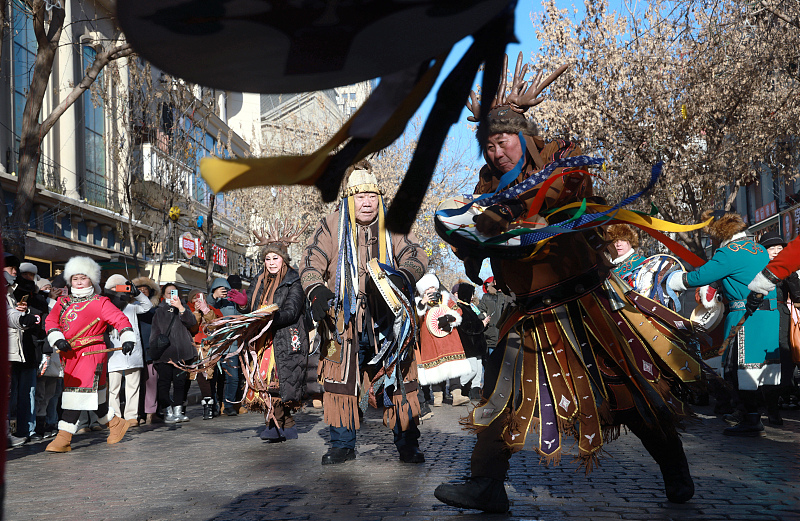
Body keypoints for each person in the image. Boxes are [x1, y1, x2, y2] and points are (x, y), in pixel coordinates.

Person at [434, 55, 701, 511]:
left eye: (503, 142)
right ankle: (486, 486)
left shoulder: (561, 160)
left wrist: (516, 214)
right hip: (531, 312)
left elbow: (564, 195)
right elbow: (479, 233)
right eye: (489, 146)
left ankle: (674, 469)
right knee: (502, 391)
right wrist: (470, 242)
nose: (497, 153)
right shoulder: (485, 185)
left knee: (625, 388)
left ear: (522, 135)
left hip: (586, 305)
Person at [301, 161, 428, 465]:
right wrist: (316, 289)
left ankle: (407, 442)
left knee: (400, 379)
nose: (367, 203)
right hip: (342, 320)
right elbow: (310, 262)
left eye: (373, 196)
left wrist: (404, 276)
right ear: (348, 199)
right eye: (360, 197)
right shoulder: (330, 224)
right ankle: (342, 445)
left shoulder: (393, 224)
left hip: (389, 319)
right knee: (339, 381)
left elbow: (416, 254)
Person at [668, 212, 778, 437]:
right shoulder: (755, 247)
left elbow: (700, 277)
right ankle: (752, 415)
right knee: (757, 370)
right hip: (766, 314)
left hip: (746, 316)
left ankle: (750, 418)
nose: (711, 241)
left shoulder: (730, 252)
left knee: (737, 369)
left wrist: (674, 279)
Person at [43, 256, 135, 452]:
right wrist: (57, 338)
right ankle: (116, 424)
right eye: (75, 278)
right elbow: (51, 321)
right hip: (70, 354)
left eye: (83, 278)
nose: (78, 281)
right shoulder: (63, 301)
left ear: (91, 279)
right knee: (94, 397)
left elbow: (120, 319)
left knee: (77, 394)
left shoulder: (100, 302)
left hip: (92, 352)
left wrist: (127, 338)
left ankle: (64, 438)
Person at [247, 222, 309, 442]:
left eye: (276, 258)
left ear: (284, 259)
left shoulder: (295, 281)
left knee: (278, 381)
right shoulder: (258, 281)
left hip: (286, 336)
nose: (271, 263)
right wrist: (242, 303)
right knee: (264, 382)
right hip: (261, 339)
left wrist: (269, 317)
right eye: (267, 259)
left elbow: (292, 311)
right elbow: (250, 311)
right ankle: (286, 424)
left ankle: (273, 424)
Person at [103, 274, 153, 427]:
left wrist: (136, 293)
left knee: (133, 386)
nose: (117, 291)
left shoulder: (130, 307)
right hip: (113, 352)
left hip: (132, 352)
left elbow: (147, 306)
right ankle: (115, 416)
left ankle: (131, 415)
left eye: (121, 287)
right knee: (113, 388)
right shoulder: (105, 307)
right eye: (114, 288)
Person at [414, 273, 468, 407]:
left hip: (448, 337)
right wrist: (423, 303)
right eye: (428, 289)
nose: (431, 291)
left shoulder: (446, 298)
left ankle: (456, 394)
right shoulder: (420, 303)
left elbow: (458, 311)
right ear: (423, 292)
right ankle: (437, 395)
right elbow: (417, 317)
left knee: (454, 366)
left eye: (433, 288)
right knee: (435, 368)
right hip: (430, 339)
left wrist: (450, 317)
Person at [150, 283, 197, 423]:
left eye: (174, 292)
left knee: (180, 383)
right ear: (163, 295)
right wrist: (155, 348)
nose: (171, 295)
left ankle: (178, 410)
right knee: (164, 383)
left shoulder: (184, 307)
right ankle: (167, 411)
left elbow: (192, 322)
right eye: (168, 293)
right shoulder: (159, 310)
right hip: (165, 352)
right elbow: (155, 332)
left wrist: (181, 308)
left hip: (182, 352)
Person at [207, 277, 244, 416]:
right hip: (214, 346)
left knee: (233, 377)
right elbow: (207, 310)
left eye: (225, 289)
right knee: (213, 378)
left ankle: (228, 404)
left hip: (232, 346)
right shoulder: (211, 301)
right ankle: (214, 405)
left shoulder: (232, 303)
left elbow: (243, 316)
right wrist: (214, 296)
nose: (223, 291)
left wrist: (241, 304)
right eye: (220, 288)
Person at [188, 289, 221, 420]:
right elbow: (192, 327)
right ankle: (205, 406)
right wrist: (196, 313)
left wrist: (206, 311)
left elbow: (215, 326)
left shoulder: (212, 310)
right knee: (195, 377)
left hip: (210, 347)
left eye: (201, 298)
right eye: (195, 299)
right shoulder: (187, 311)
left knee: (210, 377)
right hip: (193, 348)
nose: (198, 301)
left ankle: (211, 405)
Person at [132, 277, 161, 423]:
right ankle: (136, 412)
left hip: (150, 348)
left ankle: (150, 411)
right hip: (134, 349)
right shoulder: (129, 307)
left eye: (145, 289)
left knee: (151, 380)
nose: (142, 292)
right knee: (135, 383)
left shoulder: (154, 308)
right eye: (139, 290)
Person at [454, 283, 488, 400]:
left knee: (478, 372)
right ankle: (457, 388)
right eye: (471, 294)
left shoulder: (468, 307)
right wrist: (481, 324)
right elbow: (467, 327)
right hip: (469, 345)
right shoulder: (460, 308)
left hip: (476, 346)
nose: (473, 297)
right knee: (472, 370)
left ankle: (472, 393)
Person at [477, 276, 510, 359]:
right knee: (492, 364)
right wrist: (483, 317)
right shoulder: (486, 296)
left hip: (506, 336)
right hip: (491, 335)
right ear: (494, 282)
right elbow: (480, 311)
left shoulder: (509, 296)